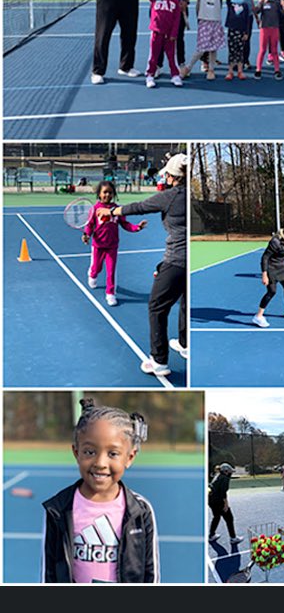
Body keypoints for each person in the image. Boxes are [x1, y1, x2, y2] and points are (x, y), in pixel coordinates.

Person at [41, 397, 158, 583]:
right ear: (76, 453)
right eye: (89, 452)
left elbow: (150, 572)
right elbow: (49, 572)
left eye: (113, 454)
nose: (100, 463)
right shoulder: (58, 509)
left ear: (130, 457)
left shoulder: (141, 510)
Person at [110, 153, 189, 374]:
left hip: (177, 260)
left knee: (157, 307)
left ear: (173, 177)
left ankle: (159, 360)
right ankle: (185, 344)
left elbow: (140, 206)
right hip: (186, 263)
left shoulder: (172, 195)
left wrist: (113, 211)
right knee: (185, 299)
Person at [83, 179, 146, 307]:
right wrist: (86, 235)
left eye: (110, 192)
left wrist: (137, 228)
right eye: (105, 192)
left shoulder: (117, 210)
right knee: (97, 267)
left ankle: (110, 293)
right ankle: (92, 273)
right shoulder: (94, 209)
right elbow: (90, 225)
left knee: (111, 271)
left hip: (112, 246)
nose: (107, 195)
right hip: (98, 246)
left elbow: (125, 224)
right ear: (99, 194)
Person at [139, 0, 184, 88]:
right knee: (153, 56)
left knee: (171, 56)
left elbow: (176, 20)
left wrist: (174, 34)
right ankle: (150, 75)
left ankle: (175, 75)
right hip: (156, 32)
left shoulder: (174, 1)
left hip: (169, 35)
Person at [253, 222, 284, 327]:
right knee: (272, 291)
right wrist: (264, 274)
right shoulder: (275, 242)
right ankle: (258, 316)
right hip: (271, 268)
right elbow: (265, 258)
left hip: (281, 267)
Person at [181, 0, 225, 79]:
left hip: (216, 23)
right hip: (204, 23)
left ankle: (211, 70)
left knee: (213, 49)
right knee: (201, 48)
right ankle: (188, 67)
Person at [254, 0, 284, 80]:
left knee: (274, 50)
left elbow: (283, 14)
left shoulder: (277, 4)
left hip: (275, 29)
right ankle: (258, 69)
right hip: (265, 29)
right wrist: (259, 2)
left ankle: (277, 70)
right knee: (262, 50)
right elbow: (256, 11)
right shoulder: (263, 3)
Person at [224, 0, 253, 80]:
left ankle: (240, 71)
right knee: (232, 51)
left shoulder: (245, 6)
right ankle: (230, 71)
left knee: (240, 52)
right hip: (232, 31)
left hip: (241, 32)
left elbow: (247, 21)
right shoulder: (230, 5)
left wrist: (246, 33)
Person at [207, 462, 240, 545]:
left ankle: (211, 535)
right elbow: (223, 493)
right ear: (225, 471)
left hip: (210, 500)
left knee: (216, 517)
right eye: (230, 471)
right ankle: (233, 538)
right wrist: (226, 505)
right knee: (229, 518)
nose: (231, 473)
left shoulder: (217, 475)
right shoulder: (225, 478)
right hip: (218, 501)